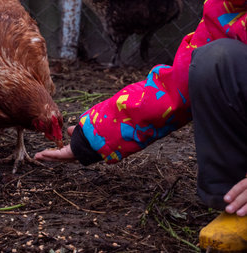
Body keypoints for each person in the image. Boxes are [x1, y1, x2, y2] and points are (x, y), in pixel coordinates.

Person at [35, 0, 247, 251]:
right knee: (214, 60)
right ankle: (235, 202)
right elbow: (176, 85)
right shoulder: (229, 7)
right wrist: (93, 137)